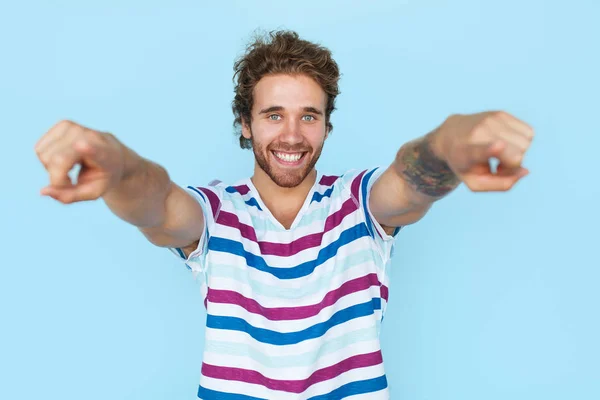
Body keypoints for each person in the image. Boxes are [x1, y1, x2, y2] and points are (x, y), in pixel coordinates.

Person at [35, 30, 534, 399]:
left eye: (308, 116)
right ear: (246, 124)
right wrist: (116, 165)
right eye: (273, 115)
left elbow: (410, 181)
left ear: (326, 126)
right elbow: (156, 202)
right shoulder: (214, 211)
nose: (292, 135)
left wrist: (452, 143)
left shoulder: (358, 203)